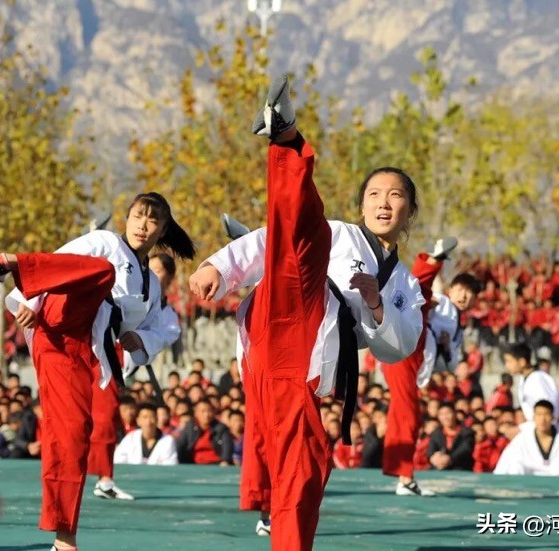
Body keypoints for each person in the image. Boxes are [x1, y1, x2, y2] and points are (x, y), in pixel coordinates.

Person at [189, 74, 425, 550]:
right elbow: (268, 242)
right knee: (302, 237)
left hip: (307, 366)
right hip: (283, 314)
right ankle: (288, 140)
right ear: (362, 203)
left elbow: (399, 348)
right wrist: (219, 264)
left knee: (307, 467)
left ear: (410, 211)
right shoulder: (341, 233)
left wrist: (376, 302)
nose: (383, 202)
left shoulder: (406, 283)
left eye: (395, 195)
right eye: (375, 194)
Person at [0, 191, 193, 551]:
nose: (143, 225)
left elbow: (161, 327)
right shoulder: (104, 241)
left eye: (153, 220)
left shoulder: (153, 284)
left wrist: (138, 338)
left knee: (73, 436)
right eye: (137, 216)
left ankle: (63, 538)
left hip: (82, 349)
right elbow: (58, 261)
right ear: (126, 218)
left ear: (163, 230)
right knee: (102, 269)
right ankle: (6, 263)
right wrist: (27, 303)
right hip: (56, 324)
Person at [382, 238, 459, 497]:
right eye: (463, 294)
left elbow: (450, 362)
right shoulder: (425, 299)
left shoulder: (450, 316)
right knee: (408, 413)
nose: (465, 300)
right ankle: (404, 477)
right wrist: (434, 260)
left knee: (403, 413)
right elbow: (421, 285)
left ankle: (401, 472)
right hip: (403, 352)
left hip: (412, 356)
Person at [493, 400, 559, 477]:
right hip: (529, 486)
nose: (542, 419)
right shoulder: (523, 438)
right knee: (516, 465)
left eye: (546, 414)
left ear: (552, 417)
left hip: (557, 487)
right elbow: (505, 463)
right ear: (533, 417)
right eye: (539, 414)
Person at [504, 342, 559, 422]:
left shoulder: (538, 380)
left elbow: (548, 411)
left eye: (509, 361)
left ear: (522, 362)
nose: (506, 365)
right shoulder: (524, 378)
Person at [114, 403, 178, 465]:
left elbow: (170, 467)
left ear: (156, 420)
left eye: (151, 417)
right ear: (138, 421)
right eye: (145, 417)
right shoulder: (130, 439)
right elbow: (118, 462)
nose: (148, 422)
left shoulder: (167, 441)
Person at [176, 400, 233, 465]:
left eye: (209, 411)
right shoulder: (190, 427)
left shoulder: (221, 428)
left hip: (216, 464)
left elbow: (227, 448)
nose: (206, 415)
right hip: (194, 465)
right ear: (196, 413)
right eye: (203, 411)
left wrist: (225, 461)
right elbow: (180, 446)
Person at [426, 403, 475, 471]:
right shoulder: (436, 434)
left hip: (461, 469)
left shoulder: (466, 432)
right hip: (439, 469)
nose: (445, 417)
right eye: (442, 414)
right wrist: (433, 459)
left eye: (448, 413)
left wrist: (450, 459)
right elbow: (430, 451)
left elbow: (465, 449)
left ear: (454, 414)